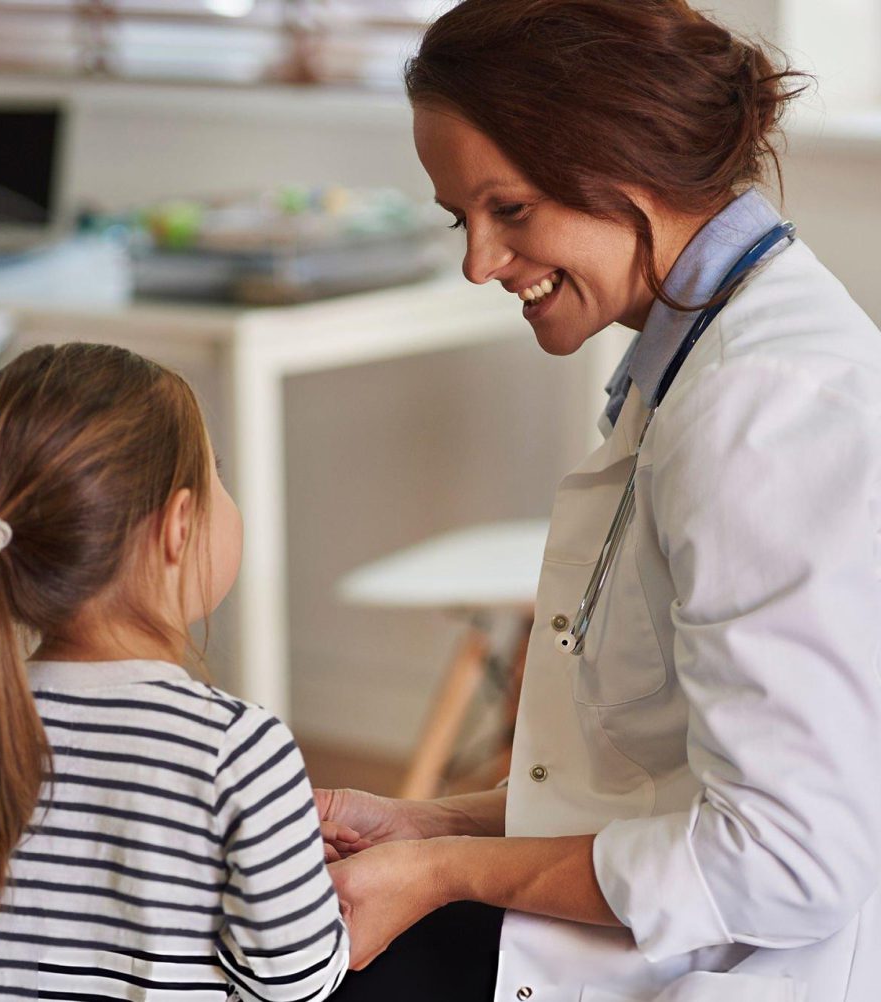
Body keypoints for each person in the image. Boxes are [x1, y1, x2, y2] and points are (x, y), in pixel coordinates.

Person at [316, 2, 881, 1000]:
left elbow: (786, 864)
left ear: (627, 163)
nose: (477, 262)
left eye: (510, 210)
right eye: (460, 218)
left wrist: (445, 872)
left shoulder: (763, 408)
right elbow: (662, 778)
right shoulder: (694, 357)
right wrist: (429, 825)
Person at [0, 343, 355, 1001]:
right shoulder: (235, 750)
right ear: (179, 526)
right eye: (217, 474)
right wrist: (297, 878)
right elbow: (297, 983)